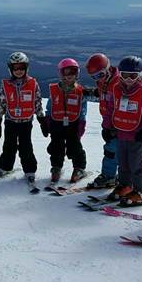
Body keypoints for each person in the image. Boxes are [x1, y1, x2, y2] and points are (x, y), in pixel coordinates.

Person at [102, 56, 142, 205]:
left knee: (137, 164)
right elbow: (111, 109)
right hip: (121, 133)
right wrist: (106, 127)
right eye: (125, 75)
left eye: (133, 76)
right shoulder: (117, 90)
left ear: (140, 75)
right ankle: (125, 185)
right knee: (124, 163)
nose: (128, 79)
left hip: (137, 136)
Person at [0, 52, 46, 183]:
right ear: (10, 69)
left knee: (26, 146)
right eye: (15, 67)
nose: (18, 71)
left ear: (26, 68)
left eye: (21, 67)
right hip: (10, 121)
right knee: (8, 146)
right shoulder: (6, 85)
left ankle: (29, 170)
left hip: (26, 122)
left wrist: (42, 120)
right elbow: (2, 103)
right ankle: (5, 167)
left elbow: (37, 102)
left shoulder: (33, 84)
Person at [43, 58, 87, 186]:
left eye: (73, 72)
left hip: (73, 123)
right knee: (56, 146)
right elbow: (50, 106)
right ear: (61, 74)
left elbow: (83, 108)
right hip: (57, 122)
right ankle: (56, 166)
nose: (70, 76)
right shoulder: (55, 89)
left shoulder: (80, 91)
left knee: (74, 146)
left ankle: (79, 167)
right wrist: (47, 120)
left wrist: (82, 123)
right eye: (66, 72)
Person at [84, 53, 121, 190]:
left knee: (115, 150)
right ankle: (112, 176)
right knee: (111, 149)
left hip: (119, 123)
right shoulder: (103, 81)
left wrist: (114, 127)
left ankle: (114, 177)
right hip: (107, 121)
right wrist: (92, 92)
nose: (97, 79)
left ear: (108, 69)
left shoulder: (119, 83)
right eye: (93, 77)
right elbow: (104, 93)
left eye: (99, 75)